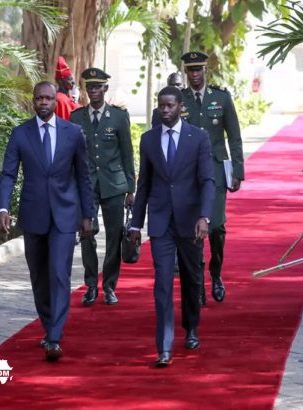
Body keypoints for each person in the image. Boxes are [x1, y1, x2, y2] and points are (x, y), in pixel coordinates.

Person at [0, 81, 94, 362]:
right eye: (39, 98)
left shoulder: (73, 133)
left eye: (48, 99)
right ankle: (49, 323)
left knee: (59, 275)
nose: (43, 103)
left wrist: (87, 215)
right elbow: (8, 175)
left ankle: (54, 337)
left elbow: (83, 176)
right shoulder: (20, 134)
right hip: (34, 216)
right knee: (39, 277)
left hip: (65, 216)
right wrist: (3, 207)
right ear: (33, 101)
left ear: (55, 101)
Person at [128, 86, 215, 367]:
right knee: (162, 283)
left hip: (191, 222)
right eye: (161, 106)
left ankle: (191, 327)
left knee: (191, 277)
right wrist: (135, 224)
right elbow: (144, 185)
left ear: (180, 107)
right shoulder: (148, 139)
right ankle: (164, 346)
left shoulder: (198, 137)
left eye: (169, 106)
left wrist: (204, 216)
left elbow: (206, 181)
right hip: (161, 222)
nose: (164, 110)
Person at [180, 51, 244, 305]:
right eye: (191, 70)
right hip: (187, 172)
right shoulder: (180, 100)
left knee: (216, 226)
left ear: (206, 70)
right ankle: (198, 281)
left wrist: (237, 171)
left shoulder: (221, 98)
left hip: (216, 170)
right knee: (193, 229)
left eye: (199, 70)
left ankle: (215, 274)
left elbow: (234, 135)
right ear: (186, 72)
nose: (195, 74)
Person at [69, 68, 135, 306]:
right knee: (86, 234)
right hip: (87, 185)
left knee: (114, 236)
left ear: (106, 89)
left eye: (98, 87)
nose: (94, 91)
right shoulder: (76, 118)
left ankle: (109, 286)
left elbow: (127, 153)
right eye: (90, 87)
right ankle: (90, 285)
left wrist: (131, 189)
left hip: (114, 184)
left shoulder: (118, 117)